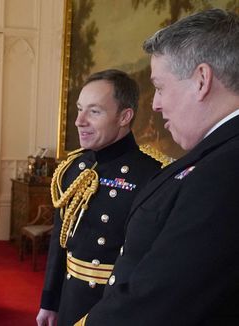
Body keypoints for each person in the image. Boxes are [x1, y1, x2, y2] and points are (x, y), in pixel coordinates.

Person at [75, 9, 239, 325]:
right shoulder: (215, 156)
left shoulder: (224, 171)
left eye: (160, 87)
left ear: (202, 80)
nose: (155, 104)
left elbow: (160, 300)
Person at [36, 69, 164, 326]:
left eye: (94, 112)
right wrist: (49, 301)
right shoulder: (73, 168)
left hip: (114, 307)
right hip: (70, 300)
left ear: (124, 117)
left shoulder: (151, 175)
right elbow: (59, 243)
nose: (79, 121)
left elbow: (149, 264)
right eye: (80, 109)